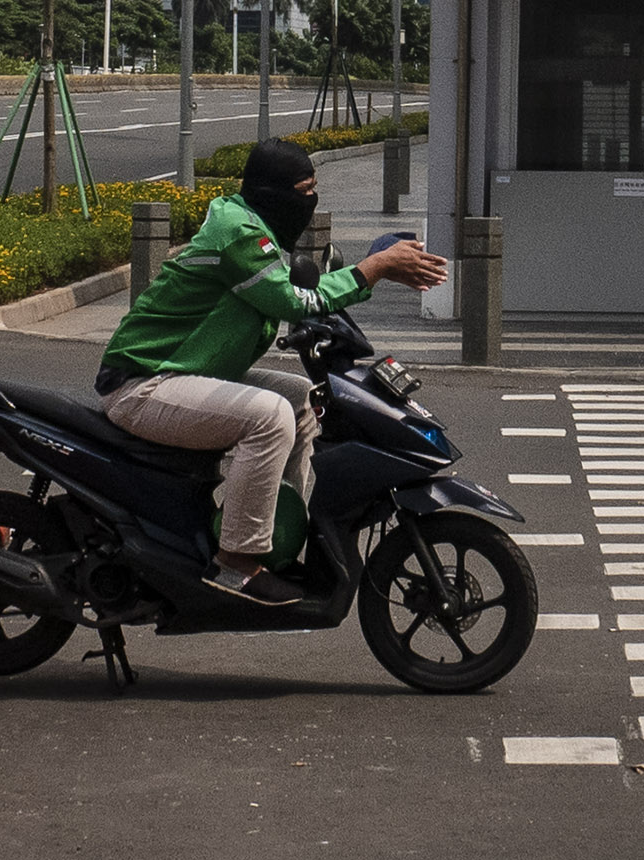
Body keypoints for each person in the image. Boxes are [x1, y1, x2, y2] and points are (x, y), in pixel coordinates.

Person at [95, 138, 446, 606]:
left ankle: (273, 539)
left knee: (299, 399)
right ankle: (236, 564)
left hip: (185, 375)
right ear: (271, 191)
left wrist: (373, 273)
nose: (310, 200)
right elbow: (288, 300)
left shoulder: (251, 224)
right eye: (304, 190)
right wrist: (374, 268)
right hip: (144, 383)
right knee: (267, 417)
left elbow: (294, 288)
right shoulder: (239, 232)